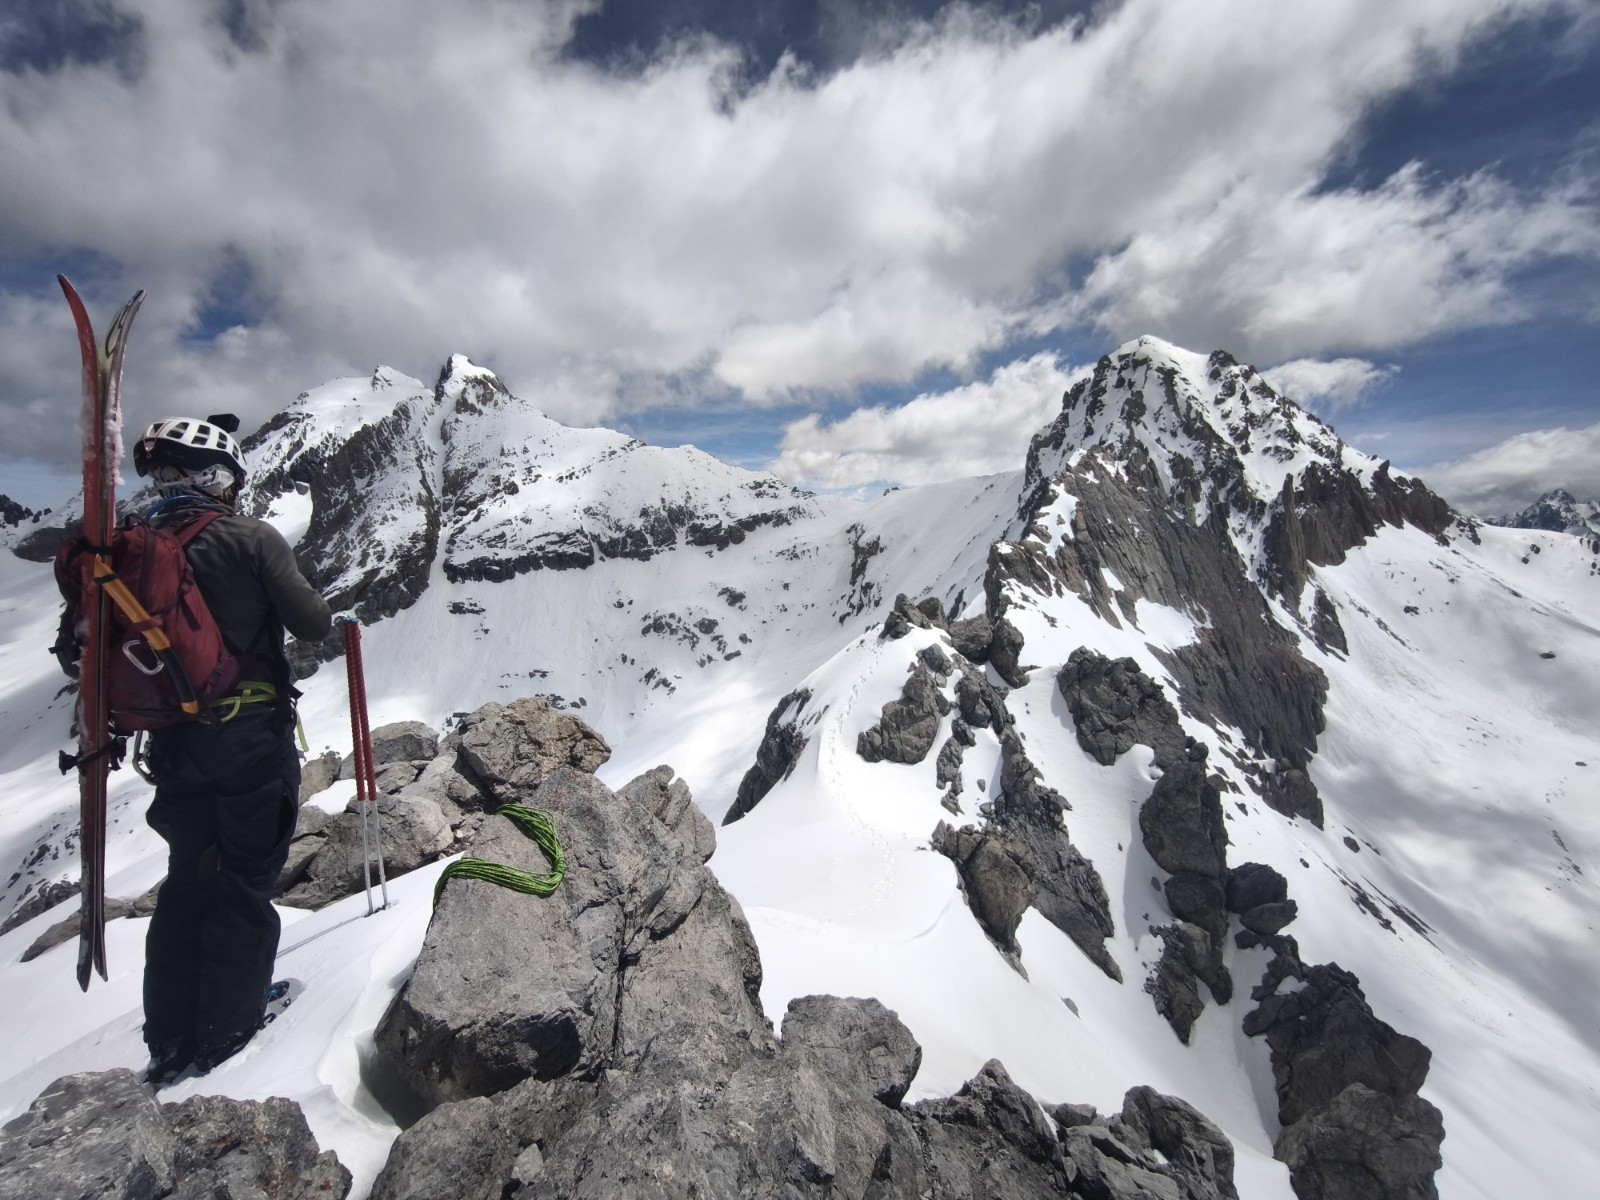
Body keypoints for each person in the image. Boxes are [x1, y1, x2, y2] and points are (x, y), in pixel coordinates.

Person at [127, 415, 332, 1085]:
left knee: (190, 875)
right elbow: (313, 621)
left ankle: (171, 1039)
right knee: (243, 880)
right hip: (247, 737)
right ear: (218, 477)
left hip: (172, 744)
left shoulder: (131, 552)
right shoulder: (247, 537)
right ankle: (227, 1032)